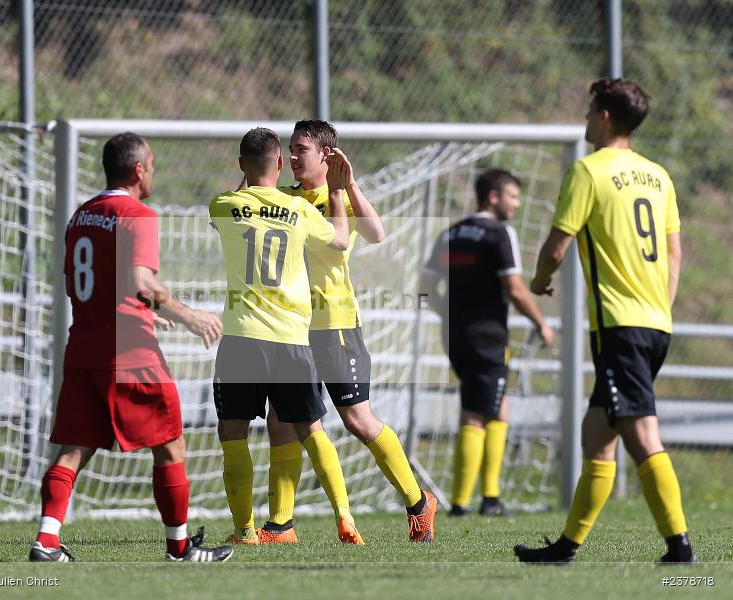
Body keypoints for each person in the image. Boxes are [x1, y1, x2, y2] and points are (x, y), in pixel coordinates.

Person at [514, 78, 695, 564]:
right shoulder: (658, 176)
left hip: (620, 325)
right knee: (596, 435)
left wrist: (539, 280)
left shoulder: (588, 171)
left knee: (641, 435)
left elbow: (556, 247)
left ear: (606, 116)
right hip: (655, 322)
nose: (586, 118)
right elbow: (675, 254)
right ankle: (566, 547)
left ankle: (679, 547)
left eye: (591, 109)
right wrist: (660, 308)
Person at [29, 132, 232, 563]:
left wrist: (136, 311)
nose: (153, 172)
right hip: (128, 352)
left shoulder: (82, 216)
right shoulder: (136, 214)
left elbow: (82, 282)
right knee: (170, 443)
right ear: (138, 170)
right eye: (152, 165)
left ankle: (46, 540)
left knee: (74, 447)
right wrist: (189, 316)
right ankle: (179, 548)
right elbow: (141, 280)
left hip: (83, 345)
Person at [257, 120, 437, 544]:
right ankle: (280, 526)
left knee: (357, 420)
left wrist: (349, 185)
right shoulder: (285, 197)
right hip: (292, 327)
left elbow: (376, 233)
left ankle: (418, 504)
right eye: (290, 149)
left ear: (326, 155)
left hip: (335, 326)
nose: (293, 156)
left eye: (301, 149)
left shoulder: (338, 197)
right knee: (280, 420)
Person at [209, 127, 364, 545]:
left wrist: (247, 177)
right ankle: (345, 516)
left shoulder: (224, 205)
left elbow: (235, 200)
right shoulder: (298, 210)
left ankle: (245, 531)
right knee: (312, 430)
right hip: (292, 340)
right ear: (280, 163)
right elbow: (340, 239)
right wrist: (336, 191)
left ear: (241, 165)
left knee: (233, 434)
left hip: (242, 339)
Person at [420, 169, 554, 517]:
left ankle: (487, 497)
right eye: (513, 196)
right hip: (487, 336)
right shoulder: (499, 233)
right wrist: (540, 322)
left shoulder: (450, 233)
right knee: (478, 411)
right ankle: (467, 502)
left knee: (493, 404)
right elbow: (515, 289)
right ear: (493, 197)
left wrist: (446, 313)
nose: (517, 204)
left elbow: (424, 287)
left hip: (454, 334)